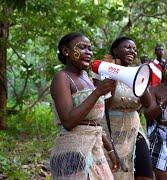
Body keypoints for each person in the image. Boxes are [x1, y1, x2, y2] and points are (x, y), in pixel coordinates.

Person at [49, 32, 118, 179]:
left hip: (95, 147)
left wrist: (110, 150)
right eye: (82, 48)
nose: (88, 52)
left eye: (90, 48)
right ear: (66, 51)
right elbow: (68, 121)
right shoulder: (62, 78)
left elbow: (94, 122)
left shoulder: (86, 77)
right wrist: (98, 91)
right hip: (72, 149)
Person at [93, 37, 153, 180]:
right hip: (111, 128)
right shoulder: (103, 70)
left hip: (134, 128)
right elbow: (103, 103)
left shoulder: (136, 72)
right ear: (115, 51)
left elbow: (148, 103)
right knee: (116, 171)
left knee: (145, 171)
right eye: (127, 47)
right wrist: (112, 74)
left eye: (134, 49)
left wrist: (141, 81)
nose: (132, 51)